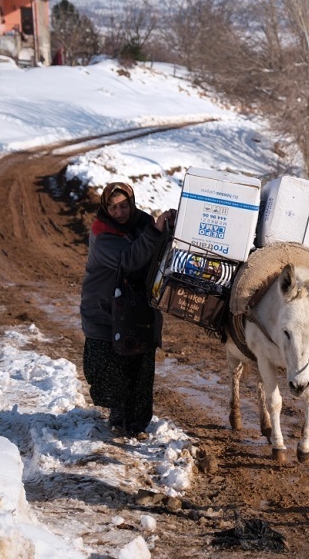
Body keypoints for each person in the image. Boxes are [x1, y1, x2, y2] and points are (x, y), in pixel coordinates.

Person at [79, 182, 175, 438]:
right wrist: (155, 232)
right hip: (104, 310)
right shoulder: (102, 233)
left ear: (132, 204)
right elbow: (129, 260)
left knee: (140, 367)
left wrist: (168, 228)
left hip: (138, 308)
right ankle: (118, 416)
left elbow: (158, 250)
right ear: (105, 207)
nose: (119, 212)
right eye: (113, 207)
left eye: (124, 206)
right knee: (110, 369)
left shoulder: (142, 222)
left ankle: (137, 424)